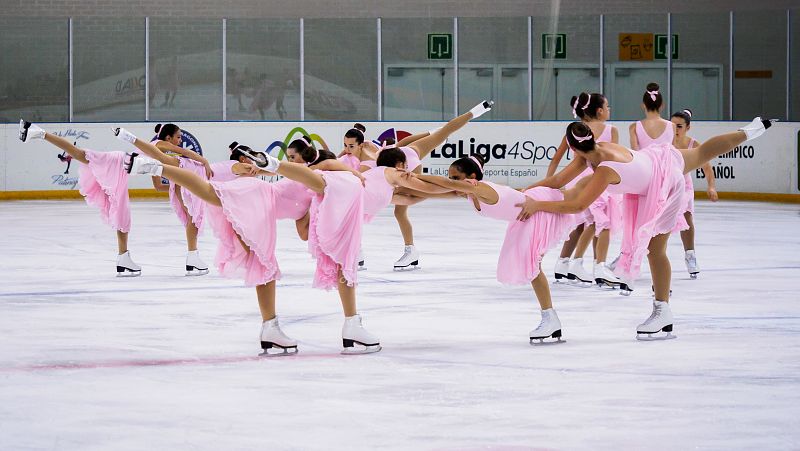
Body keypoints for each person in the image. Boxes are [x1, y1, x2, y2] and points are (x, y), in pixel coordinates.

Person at [515, 117, 774, 340]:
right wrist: (525, 191)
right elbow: (557, 180)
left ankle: (662, 310)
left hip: (664, 184)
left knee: (655, 250)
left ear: (571, 148)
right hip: (660, 158)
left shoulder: (604, 170)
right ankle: (752, 130)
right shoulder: (597, 150)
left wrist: (538, 205)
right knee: (703, 152)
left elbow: (578, 205)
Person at [671, 109, 717, 278]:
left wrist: (711, 187)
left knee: (687, 216)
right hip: (666, 184)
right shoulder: (664, 141)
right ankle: (630, 254)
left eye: (679, 126)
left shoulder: (694, 144)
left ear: (688, 127)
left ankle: (690, 255)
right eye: (672, 126)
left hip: (684, 185)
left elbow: (707, 167)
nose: (675, 129)